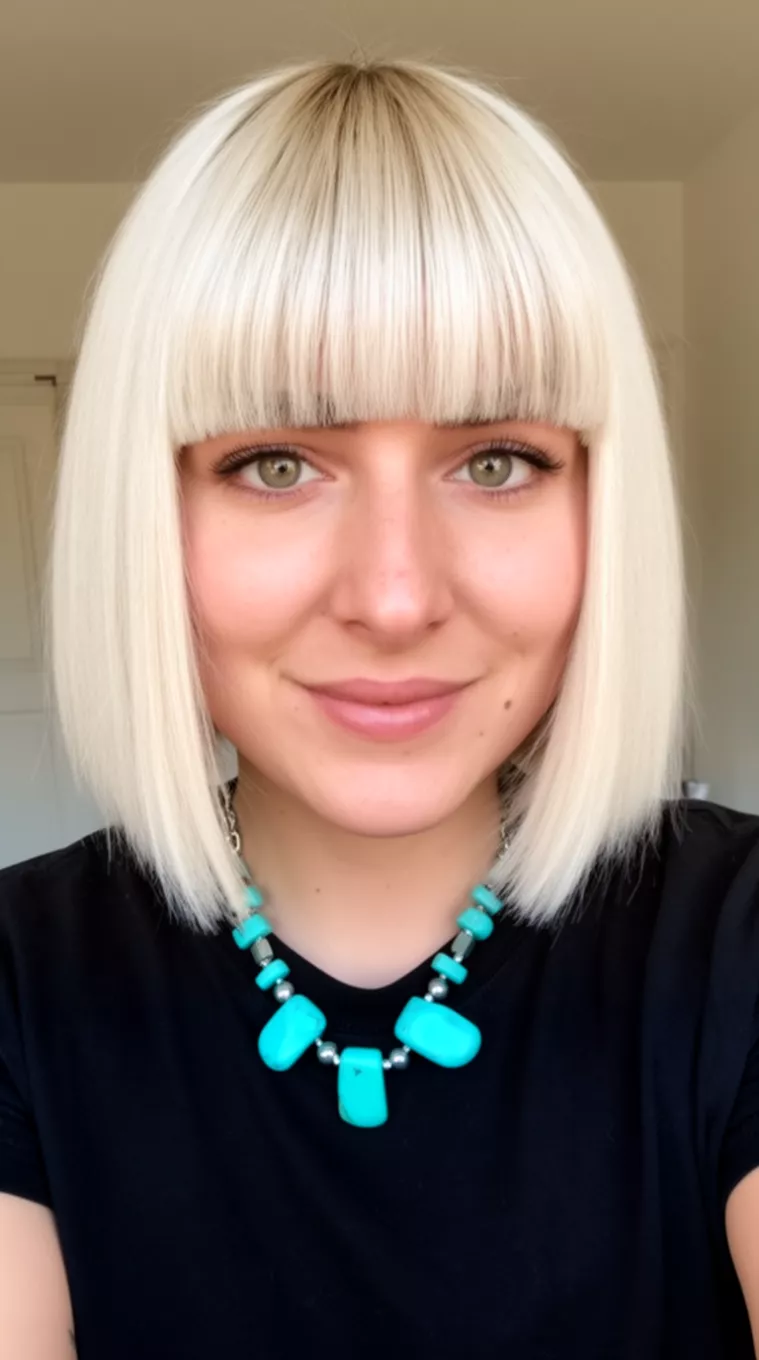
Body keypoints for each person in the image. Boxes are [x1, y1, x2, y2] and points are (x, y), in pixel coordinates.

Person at [0, 55, 758, 1360]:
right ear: (143, 515)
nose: (396, 595)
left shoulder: (736, 942)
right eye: (275, 463)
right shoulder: (19, 979)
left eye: (499, 459)